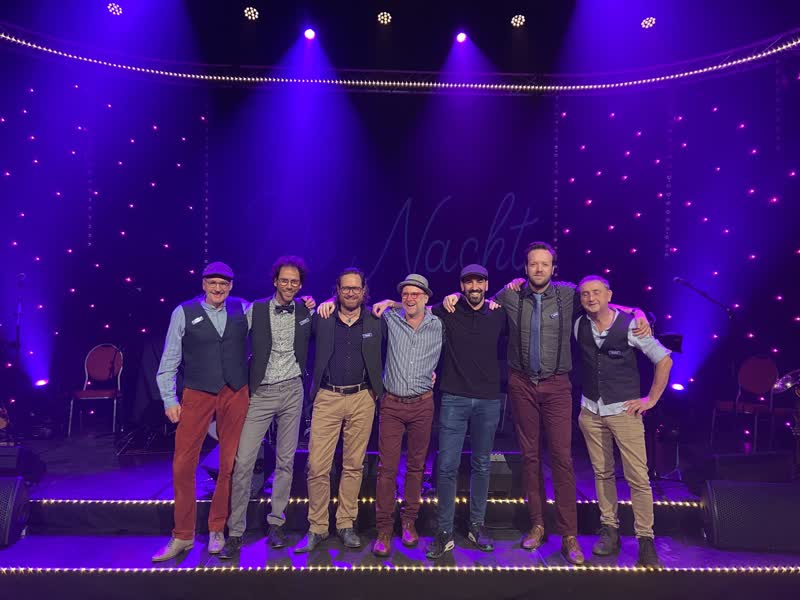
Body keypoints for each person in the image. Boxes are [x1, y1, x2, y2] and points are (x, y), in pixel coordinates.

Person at [444, 241, 650, 565]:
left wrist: (635, 311)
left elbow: (600, 303)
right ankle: (538, 525)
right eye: (533, 264)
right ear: (525, 268)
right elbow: (478, 302)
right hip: (522, 384)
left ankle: (569, 535)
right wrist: (452, 297)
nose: (538, 269)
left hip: (556, 386)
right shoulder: (510, 295)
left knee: (562, 459)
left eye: (544, 264)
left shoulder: (568, 294)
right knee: (530, 458)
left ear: (553, 268)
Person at [152, 262, 250, 561]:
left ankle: (217, 528)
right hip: (197, 391)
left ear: (231, 286)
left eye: (223, 284)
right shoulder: (184, 312)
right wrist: (169, 399)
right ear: (204, 284)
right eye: (212, 283)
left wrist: (306, 302)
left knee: (228, 463)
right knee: (183, 464)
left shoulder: (243, 308)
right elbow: (170, 357)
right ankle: (183, 535)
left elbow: (275, 315)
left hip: (234, 391)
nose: (218, 288)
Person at [574, 275, 672, 568]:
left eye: (597, 293)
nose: (591, 298)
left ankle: (645, 540)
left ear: (609, 295)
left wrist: (650, 400)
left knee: (638, 478)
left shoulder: (630, 325)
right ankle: (610, 530)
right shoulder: (579, 325)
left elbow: (664, 359)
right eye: (585, 294)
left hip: (624, 412)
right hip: (591, 410)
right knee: (602, 473)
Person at [220, 256, 314, 559]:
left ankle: (276, 523)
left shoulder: (306, 310)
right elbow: (231, 341)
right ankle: (235, 531)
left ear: (300, 285)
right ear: (275, 281)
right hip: (261, 392)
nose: (289, 285)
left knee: (286, 462)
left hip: (292, 391)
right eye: (284, 280)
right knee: (244, 462)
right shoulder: (256, 309)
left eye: (295, 282)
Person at [293, 268, 385, 553]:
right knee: (317, 466)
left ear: (364, 291)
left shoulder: (376, 319)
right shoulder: (323, 318)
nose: (351, 292)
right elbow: (296, 321)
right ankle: (318, 527)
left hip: (362, 397)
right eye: (346, 288)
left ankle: (346, 524)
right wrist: (309, 302)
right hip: (328, 396)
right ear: (337, 290)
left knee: (353, 465)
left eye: (356, 288)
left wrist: (393, 302)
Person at [425, 264, 507, 559]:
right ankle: (444, 531)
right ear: (461, 286)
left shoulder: (499, 313)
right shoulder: (447, 309)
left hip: (488, 400)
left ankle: (476, 525)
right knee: (447, 466)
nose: (474, 287)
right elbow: (414, 305)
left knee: (482, 465)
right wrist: (388, 304)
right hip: (454, 398)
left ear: (486, 285)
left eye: (479, 282)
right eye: (468, 282)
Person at [370, 274, 443, 557]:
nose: (410, 299)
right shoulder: (390, 318)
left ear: (426, 297)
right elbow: (354, 308)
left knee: (416, 468)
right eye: (405, 294)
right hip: (392, 405)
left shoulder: (438, 324)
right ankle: (384, 529)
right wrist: (391, 303)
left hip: (423, 405)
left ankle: (409, 521)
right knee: (387, 469)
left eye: (416, 294)